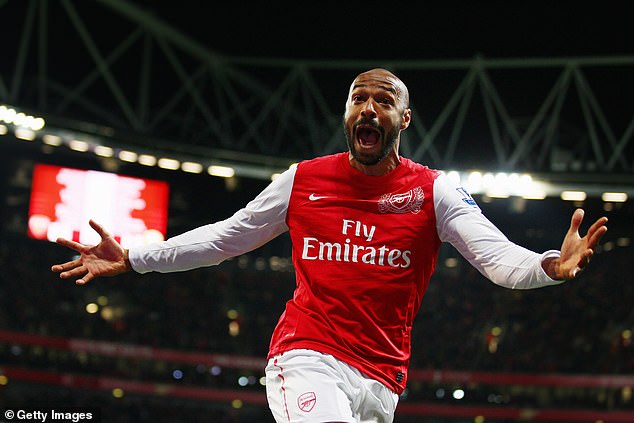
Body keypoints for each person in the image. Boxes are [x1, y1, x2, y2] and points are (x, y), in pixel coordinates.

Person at [51, 68, 608, 423]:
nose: (368, 107)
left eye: (383, 100)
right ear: (347, 115)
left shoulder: (434, 192)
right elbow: (226, 237)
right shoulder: (304, 180)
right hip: (308, 355)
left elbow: (495, 257)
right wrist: (136, 257)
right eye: (357, 98)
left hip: (383, 381)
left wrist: (550, 266)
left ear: (403, 119)